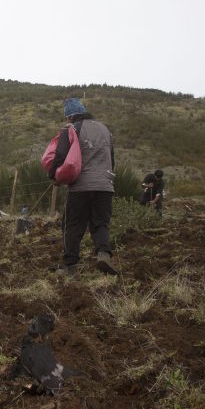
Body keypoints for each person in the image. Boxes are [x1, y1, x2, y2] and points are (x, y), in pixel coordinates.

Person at [48, 98, 118, 276]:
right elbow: (112, 159)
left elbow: (61, 155)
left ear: (70, 117)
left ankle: (70, 266)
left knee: (72, 225)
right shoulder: (105, 129)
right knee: (100, 223)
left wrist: (53, 175)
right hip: (105, 185)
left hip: (81, 187)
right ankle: (103, 254)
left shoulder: (72, 129)